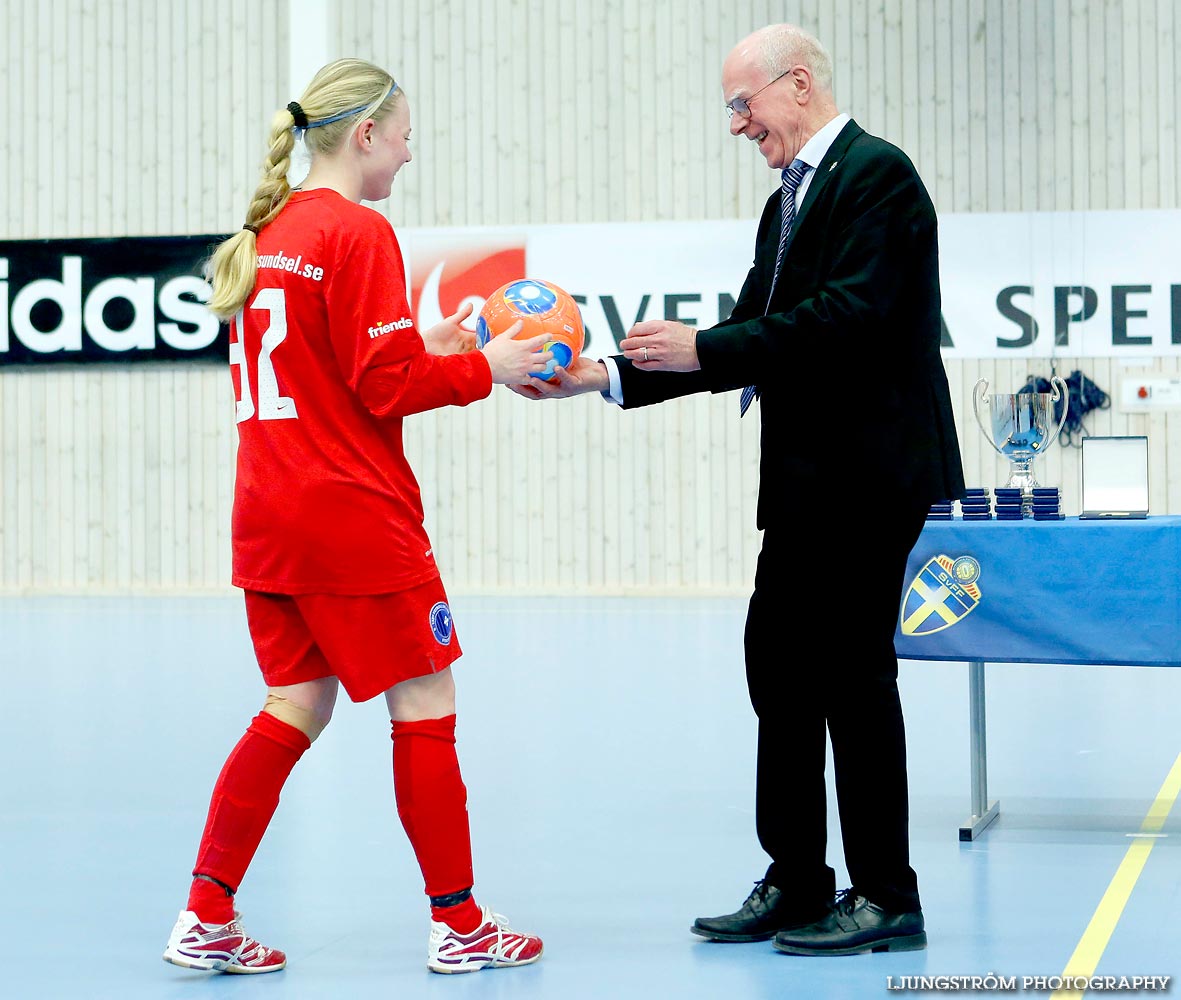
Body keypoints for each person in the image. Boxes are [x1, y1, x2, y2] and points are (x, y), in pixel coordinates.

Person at [512, 24, 964, 957]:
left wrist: (708, 347)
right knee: (779, 666)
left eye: (741, 104)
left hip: (870, 474)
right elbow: (750, 329)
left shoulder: (880, 176)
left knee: (850, 674)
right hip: (805, 482)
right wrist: (607, 374)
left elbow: (846, 319)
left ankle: (887, 894)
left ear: (795, 84)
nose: (735, 126)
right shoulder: (784, 205)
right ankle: (799, 879)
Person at [162, 58, 549, 977]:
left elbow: (338, 368)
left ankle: (204, 914)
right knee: (425, 701)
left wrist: (430, 344)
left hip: (268, 517)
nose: (410, 154)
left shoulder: (273, 231)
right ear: (366, 134)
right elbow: (383, 386)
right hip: (351, 516)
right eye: (405, 134)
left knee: (292, 706)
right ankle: (459, 926)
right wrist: (484, 367)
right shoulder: (358, 229)